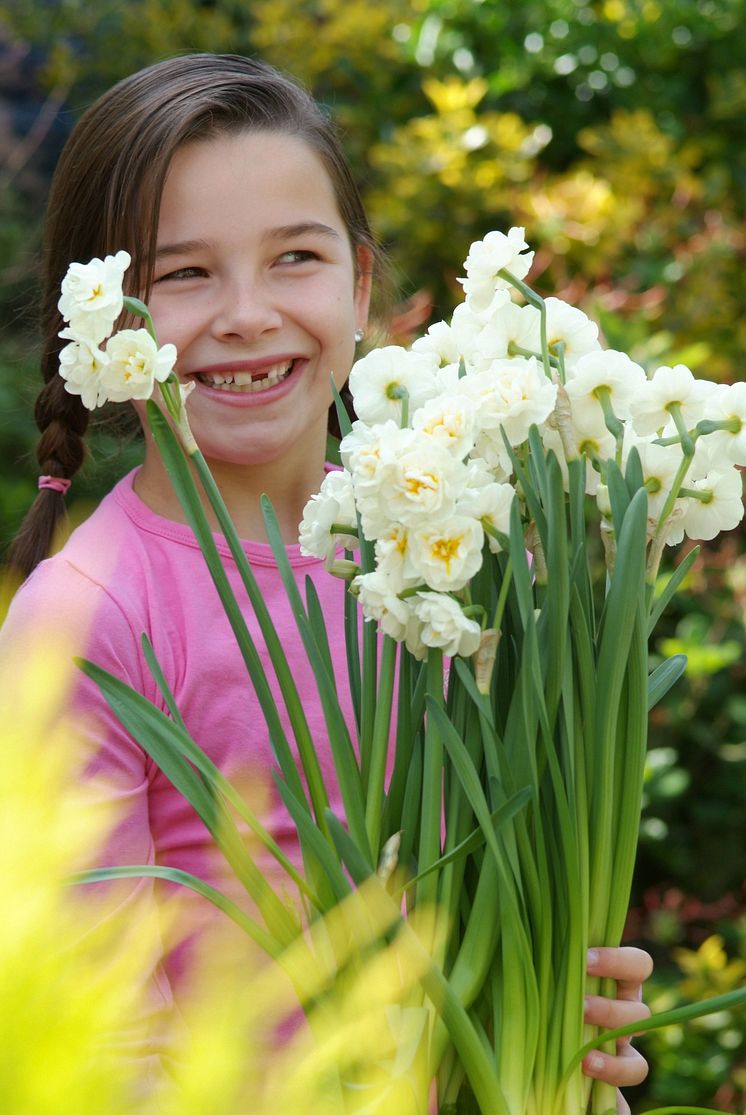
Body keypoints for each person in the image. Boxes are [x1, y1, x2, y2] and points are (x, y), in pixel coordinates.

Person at [0, 54, 652, 1110]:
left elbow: (506, 888)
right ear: (103, 324)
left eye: (292, 257)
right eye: (183, 274)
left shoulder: (453, 537)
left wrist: (569, 1022)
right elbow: (101, 1065)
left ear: (356, 286)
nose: (248, 313)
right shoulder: (90, 616)